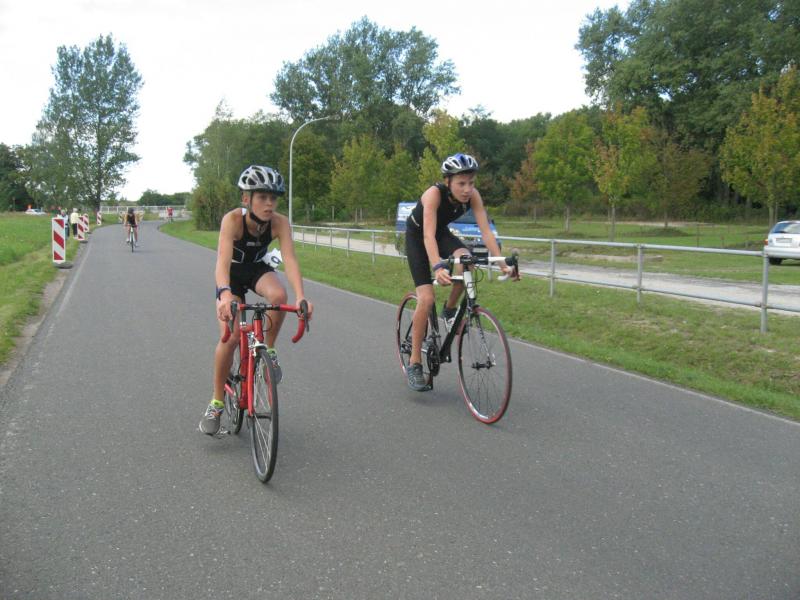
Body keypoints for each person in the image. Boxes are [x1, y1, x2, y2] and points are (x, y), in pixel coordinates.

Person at [199, 165, 314, 435]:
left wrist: (301, 297)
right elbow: (222, 261)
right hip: (231, 275)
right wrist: (224, 294)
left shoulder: (279, 223)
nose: (269, 203)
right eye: (262, 197)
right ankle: (216, 403)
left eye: (273, 198)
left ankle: (268, 351)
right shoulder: (232, 220)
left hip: (257, 269)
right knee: (231, 338)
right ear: (246, 199)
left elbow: (290, 259)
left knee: (279, 295)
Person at [403, 153, 510, 391]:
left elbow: (486, 232)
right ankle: (415, 362)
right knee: (426, 299)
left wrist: (502, 263)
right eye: (461, 183)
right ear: (448, 181)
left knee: (467, 260)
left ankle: (450, 309)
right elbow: (427, 236)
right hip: (418, 237)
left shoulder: (473, 197)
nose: (467, 189)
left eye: (471, 183)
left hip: (440, 233)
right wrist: (438, 265)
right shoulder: (433, 194)